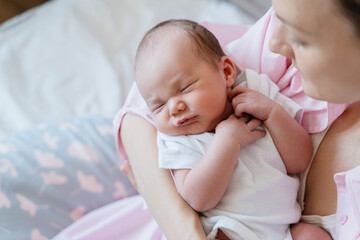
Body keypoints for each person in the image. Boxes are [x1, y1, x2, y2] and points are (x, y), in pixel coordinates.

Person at [118, 0, 360, 239]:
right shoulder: (179, 140)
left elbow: (298, 160)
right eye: (159, 105)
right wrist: (227, 142)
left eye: (185, 88)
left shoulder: (255, 94)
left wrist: (274, 114)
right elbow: (198, 199)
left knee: (311, 235)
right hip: (229, 231)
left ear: (226, 72)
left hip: (283, 230)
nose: (174, 107)